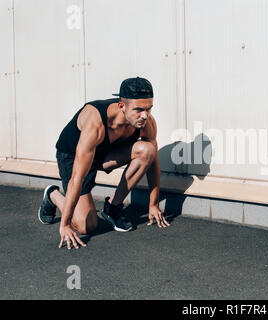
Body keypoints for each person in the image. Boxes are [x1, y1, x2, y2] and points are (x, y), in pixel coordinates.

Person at [38, 77, 170, 250]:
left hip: (104, 153)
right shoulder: (96, 122)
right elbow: (77, 177)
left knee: (148, 150)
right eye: (138, 109)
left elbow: (153, 162)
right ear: (122, 106)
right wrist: (65, 225)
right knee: (87, 226)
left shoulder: (146, 122)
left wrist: (153, 204)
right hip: (72, 156)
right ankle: (53, 195)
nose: (145, 115)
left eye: (149, 108)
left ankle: (113, 208)